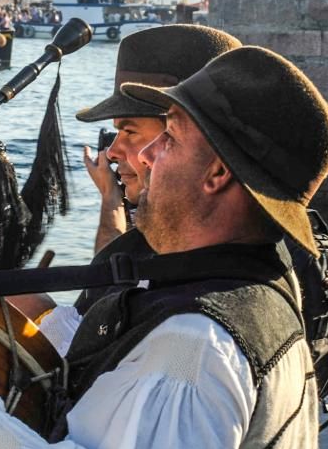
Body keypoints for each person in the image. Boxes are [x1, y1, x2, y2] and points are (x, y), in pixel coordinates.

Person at [0, 45, 328, 449]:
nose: (145, 157)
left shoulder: (195, 347)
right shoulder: (248, 292)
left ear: (217, 173)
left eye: (170, 138)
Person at [32, 25, 242, 352]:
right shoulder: (178, 248)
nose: (114, 152)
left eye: (130, 132)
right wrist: (111, 198)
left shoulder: (200, 328)